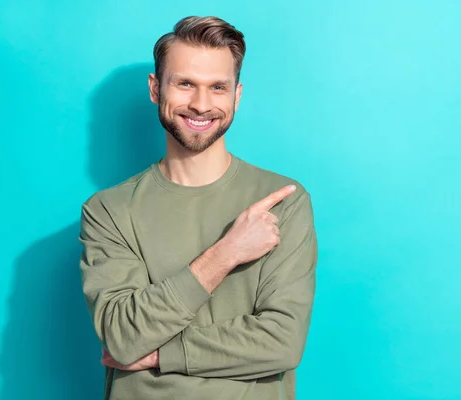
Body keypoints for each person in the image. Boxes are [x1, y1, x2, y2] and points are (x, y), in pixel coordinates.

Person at [79, 16, 317, 400]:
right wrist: (226, 254)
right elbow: (123, 337)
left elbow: (282, 341)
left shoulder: (282, 201)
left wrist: (160, 353)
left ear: (236, 95)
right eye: (185, 83)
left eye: (217, 87)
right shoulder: (108, 210)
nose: (201, 105)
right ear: (156, 89)